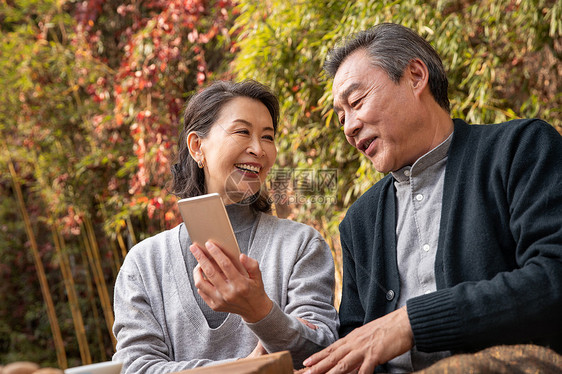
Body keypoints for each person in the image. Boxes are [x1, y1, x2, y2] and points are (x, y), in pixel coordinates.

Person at [302, 23, 562, 373]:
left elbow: (552, 279)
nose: (348, 126)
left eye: (357, 102)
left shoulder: (519, 149)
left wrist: (410, 322)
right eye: (341, 116)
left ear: (415, 76)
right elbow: (355, 337)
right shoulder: (359, 221)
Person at [112, 80, 339, 373]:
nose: (259, 149)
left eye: (268, 137)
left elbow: (324, 353)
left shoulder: (301, 245)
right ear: (197, 147)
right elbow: (135, 367)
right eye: (243, 132)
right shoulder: (145, 263)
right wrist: (242, 368)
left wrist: (260, 311)